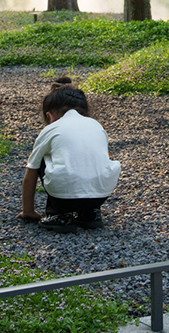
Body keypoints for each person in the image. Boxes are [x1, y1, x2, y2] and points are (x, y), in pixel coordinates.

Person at [17, 76, 121, 232]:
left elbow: (30, 174)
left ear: (49, 115)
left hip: (63, 198)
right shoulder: (96, 126)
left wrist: (28, 211)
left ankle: (60, 215)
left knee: (42, 158)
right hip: (101, 194)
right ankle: (90, 214)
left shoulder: (51, 129)